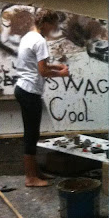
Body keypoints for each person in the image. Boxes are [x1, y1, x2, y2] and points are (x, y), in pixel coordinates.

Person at [14, 10, 69, 187]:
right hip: (30, 91)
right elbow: (43, 71)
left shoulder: (29, 37)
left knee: (32, 133)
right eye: (53, 25)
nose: (54, 29)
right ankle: (30, 178)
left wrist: (56, 66)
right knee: (31, 134)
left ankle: (35, 172)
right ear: (45, 24)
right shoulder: (40, 41)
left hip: (23, 88)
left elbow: (37, 65)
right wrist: (61, 74)